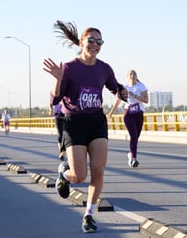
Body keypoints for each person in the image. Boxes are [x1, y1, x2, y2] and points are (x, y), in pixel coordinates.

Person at [43, 20, 127, 233]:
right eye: (91, 40)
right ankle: (64, 173)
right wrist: (58, 79)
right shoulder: (69, 68)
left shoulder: (104, 68)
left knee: (98, 170)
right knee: (79, 176)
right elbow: (54, 100)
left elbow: (115, 88)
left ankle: (88, 215)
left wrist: (122, 93)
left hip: (97, 122)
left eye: (100, 41)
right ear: (81, 42)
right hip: (74, 124)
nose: (96, 44)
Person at [107, 70, 148, 168]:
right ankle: (134, 158)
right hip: (128, 113)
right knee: (133, 136)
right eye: (130, 74)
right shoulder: (124, 87)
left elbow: (146, 100)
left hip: (139, 113)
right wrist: (111, 112)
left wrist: (134, 96)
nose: (132, 75)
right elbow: (118, 101)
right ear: (127, 76)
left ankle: (130, 154)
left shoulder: (141, 86)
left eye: (134, 74)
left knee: (136, 137)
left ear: (136, 76)